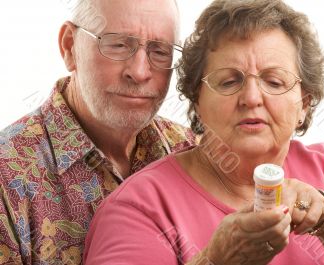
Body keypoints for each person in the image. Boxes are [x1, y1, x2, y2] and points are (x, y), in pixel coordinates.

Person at [84, 0, 324, 264]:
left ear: (303, 103)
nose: (251, 98)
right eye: (229, 81)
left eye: (274, 82)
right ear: (197, 100)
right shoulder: (140, 206)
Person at [0, 0, 196, 264]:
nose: (139, 72)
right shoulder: (7, 176)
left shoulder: (191, 151)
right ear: (69, 47)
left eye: (159, 51)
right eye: (118, 45)